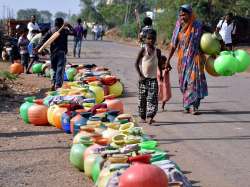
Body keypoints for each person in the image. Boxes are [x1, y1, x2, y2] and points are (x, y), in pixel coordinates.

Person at [166, 4, 208, 115]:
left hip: (196, 59)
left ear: (190, 14)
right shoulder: (178, 25)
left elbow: (209, 38)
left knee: (193, 82)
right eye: (180, 15)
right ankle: (187, 104)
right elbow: (173, 44)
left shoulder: (198, 25)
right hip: (183, 61)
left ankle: (192, 106)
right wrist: (168, 60)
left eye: (184, 15)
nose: (182, 17)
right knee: (184, 84)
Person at [35, 17, 75, 91]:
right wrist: (69, 26)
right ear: (62, 23)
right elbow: (75, 33)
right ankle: (58, 85)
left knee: (53, 69)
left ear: (55, 23)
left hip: (53, 53)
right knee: (60, 69)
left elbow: (43, 39)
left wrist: (37, 47)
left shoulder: (51, 31)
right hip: (61, 53)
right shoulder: (64, 31)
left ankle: (53, 82)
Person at [135, 29, 163, 124]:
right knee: (142, 98)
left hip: (153, 79)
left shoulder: (157, 51)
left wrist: (161, 74)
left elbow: (159, 64)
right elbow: (136, 64)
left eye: (153, 39)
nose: (151, 40)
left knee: (152, 98)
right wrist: (140, 75)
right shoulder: (143, 50)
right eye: (149, 39)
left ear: (155, 40)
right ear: (145, 39)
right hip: (143, 79)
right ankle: (143, 116)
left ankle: (150, 116)